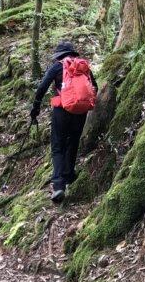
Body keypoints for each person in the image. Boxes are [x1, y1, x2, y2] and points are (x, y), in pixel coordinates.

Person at [30, 42, 97, 203]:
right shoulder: (83, 67)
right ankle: (69, 176)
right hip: (80, 112)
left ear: (59, 56)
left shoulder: (57, 67)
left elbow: (42, 87)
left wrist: (35, 108)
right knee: (73, 143)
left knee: (58, 146)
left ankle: (58, 185)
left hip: (62, 110)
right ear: (73, 53)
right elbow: (95, 86)